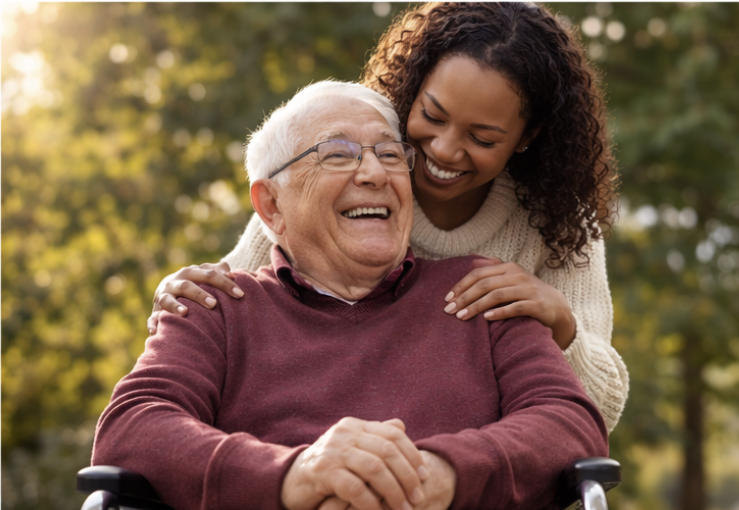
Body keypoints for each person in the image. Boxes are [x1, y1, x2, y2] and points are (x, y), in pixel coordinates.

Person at [93, 81, 608, 510]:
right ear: (271, 207)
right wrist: (295, 474)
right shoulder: (217, 308)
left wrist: (438, 474)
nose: (374, 172)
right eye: (337, 154)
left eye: (389, 153)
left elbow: (569, 423)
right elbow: (133, 427)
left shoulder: (482, 293)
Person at [146, 3, 628, 431]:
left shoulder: (559, 222)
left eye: (482, 138)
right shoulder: (335, 188)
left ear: (528, 136)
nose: (444, 149)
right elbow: (232, 291)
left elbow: (595, 415)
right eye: (433, 117)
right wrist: (181, 294)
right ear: (411, 90)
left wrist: (561, 322)